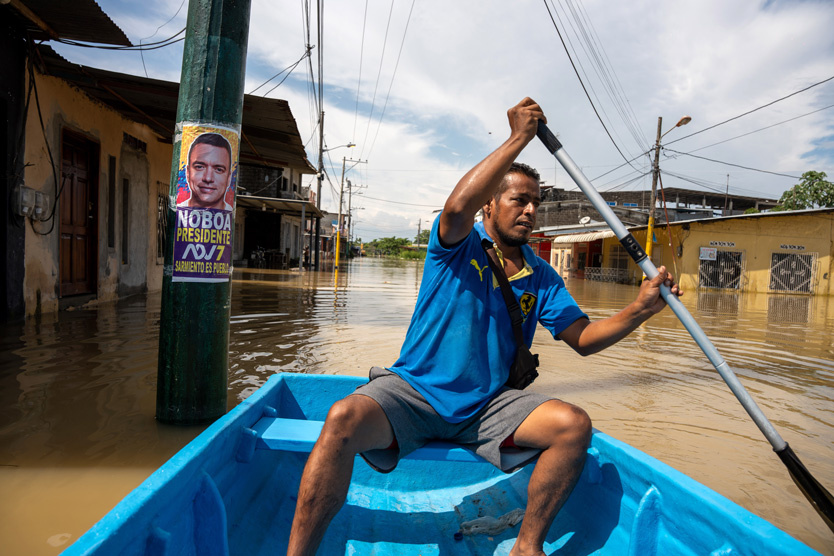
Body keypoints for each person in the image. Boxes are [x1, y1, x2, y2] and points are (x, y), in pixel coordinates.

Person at [287, 97, 682, 556]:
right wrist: (518, 139)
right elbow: (456, 209)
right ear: (490, 206)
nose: (530, 211)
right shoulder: (456, 245)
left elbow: (584, 340)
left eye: (536, 202)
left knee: (573, 426)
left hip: (488, 407)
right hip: (415, 393)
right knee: (342, 419)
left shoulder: (542, 276)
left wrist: (640, 309)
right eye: (519, 200)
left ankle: (526, 548)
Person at [177, 132, 234, 211]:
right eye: (199, 167)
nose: (208, 178)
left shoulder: (231, 215)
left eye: (219, 169)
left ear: (229, 178)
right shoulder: (175, 211)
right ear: (187, 173)